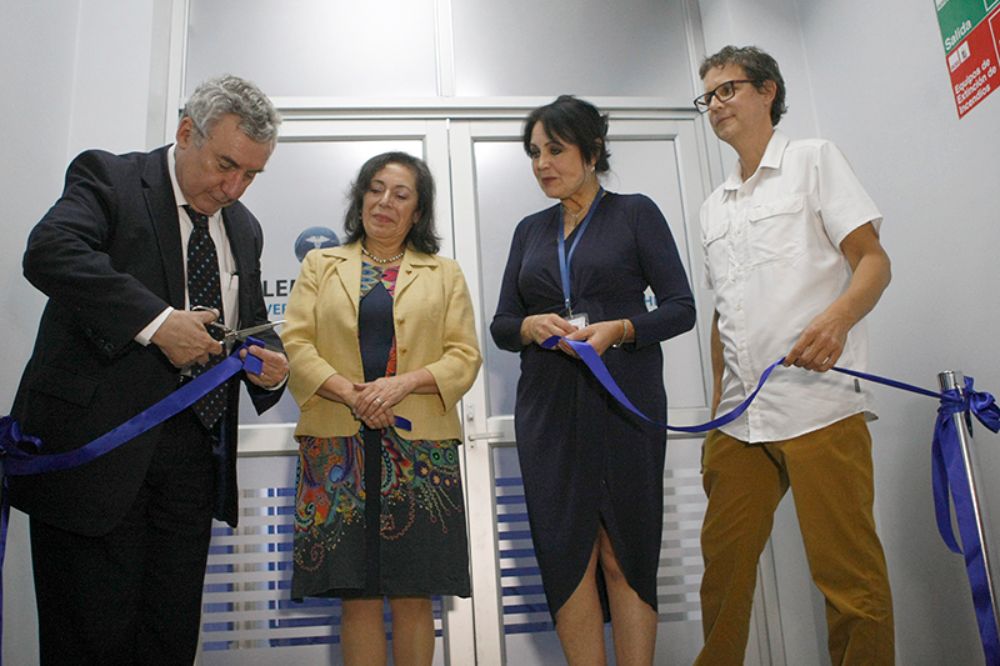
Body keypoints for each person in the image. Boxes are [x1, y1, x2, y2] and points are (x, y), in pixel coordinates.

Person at [8, 74, 288, 664]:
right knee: (90, 643)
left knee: (169, 639)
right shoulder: (108, 178)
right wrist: (158, 322)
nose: (235, 187)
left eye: (251, 175)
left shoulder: (244, 227)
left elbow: (252, 324)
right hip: (96, 460)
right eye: (225, 165)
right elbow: (50, 252)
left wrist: (271, 369)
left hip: (190, 469)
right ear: (187, 132)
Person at [694, 45, 895, 664]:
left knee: (850, 580)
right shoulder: (713, 205)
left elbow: (873, 261)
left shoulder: (813, 159)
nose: (716, 105)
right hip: (740, 422)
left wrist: (835, 321)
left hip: (821, 408)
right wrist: (714, 415)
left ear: (769, 91)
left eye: (728, 89)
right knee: (722, 578)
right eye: (708, 97)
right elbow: (723, 316)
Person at [490, 95, 696, 666]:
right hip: (549, 411)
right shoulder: (529, 231)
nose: (541, 164)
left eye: (555, 149)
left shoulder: (635, 213)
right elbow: (502, 325)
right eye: (534, 153)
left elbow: (681, 308)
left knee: (623, 552)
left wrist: (622, 328)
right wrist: (530, 325)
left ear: (593, 150)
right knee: (566, 553)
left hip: (622, 401)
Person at [282, 151, 481, 666]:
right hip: (337, 446)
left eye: (401, 194)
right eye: (375, 189)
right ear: (360, 197)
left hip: (419, 449)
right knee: (358, 596)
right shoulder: (321, 265)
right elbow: (297, 346)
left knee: (415, 594)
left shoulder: (444, 273)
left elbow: (464, 355)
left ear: (418, 212)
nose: (384, 202)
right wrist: (353, 394)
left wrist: (400, 385)